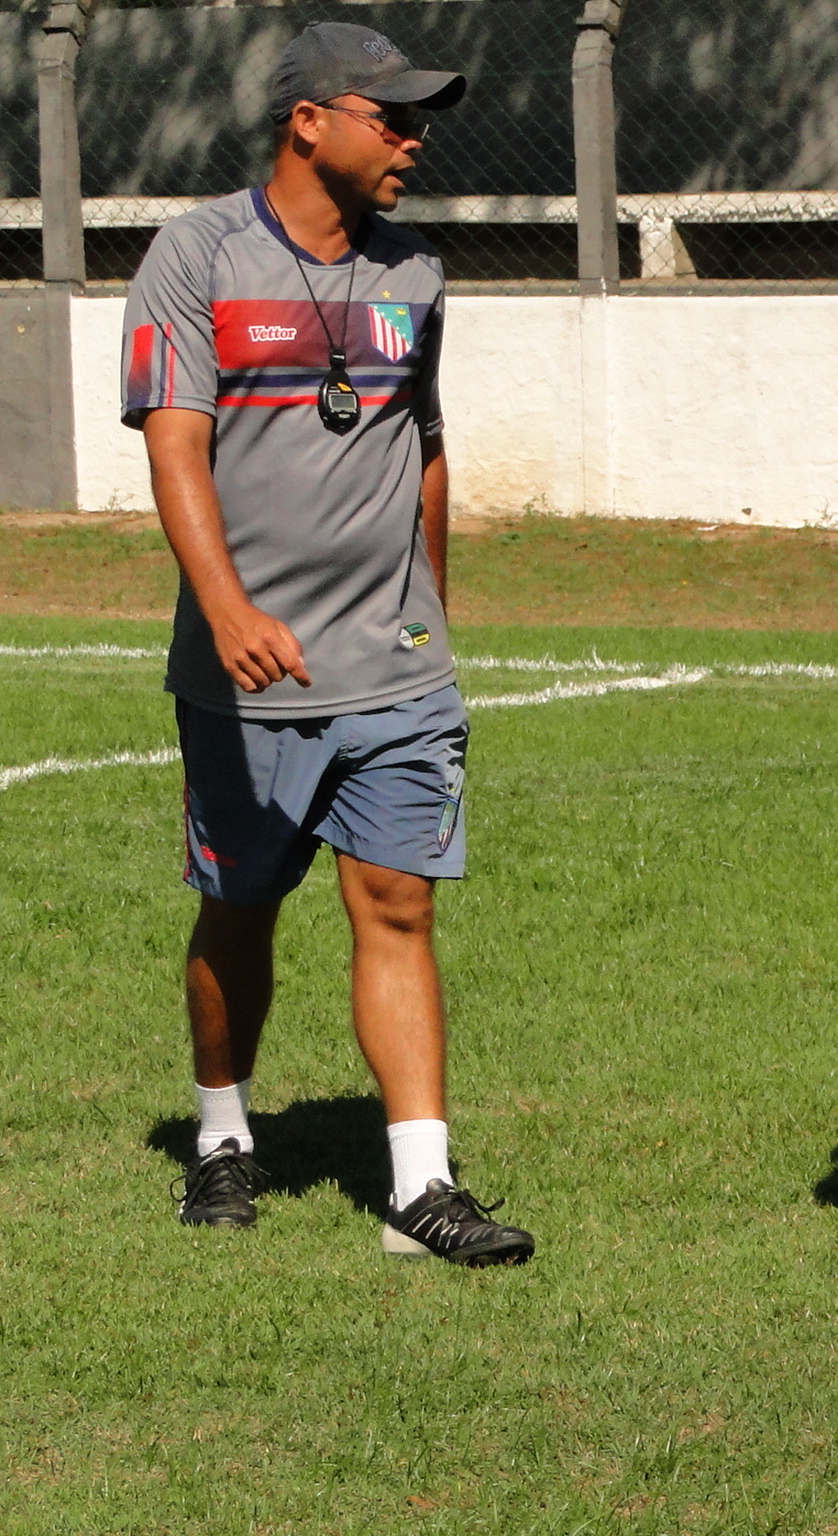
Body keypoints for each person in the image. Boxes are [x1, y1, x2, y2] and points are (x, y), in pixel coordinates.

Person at [123, 22, 533, 1263]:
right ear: (310, 120)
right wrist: (232, 609)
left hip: (395, 663)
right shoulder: (192, 255)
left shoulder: (417, 272)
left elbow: (426, 446)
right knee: (238, 910)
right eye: (392, 117)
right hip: (247, 671)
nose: (414, 140)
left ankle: (420, 1187)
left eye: (421, 122)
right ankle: (221, 1138)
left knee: (398, 905)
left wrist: (436, 614)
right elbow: (174, 443)